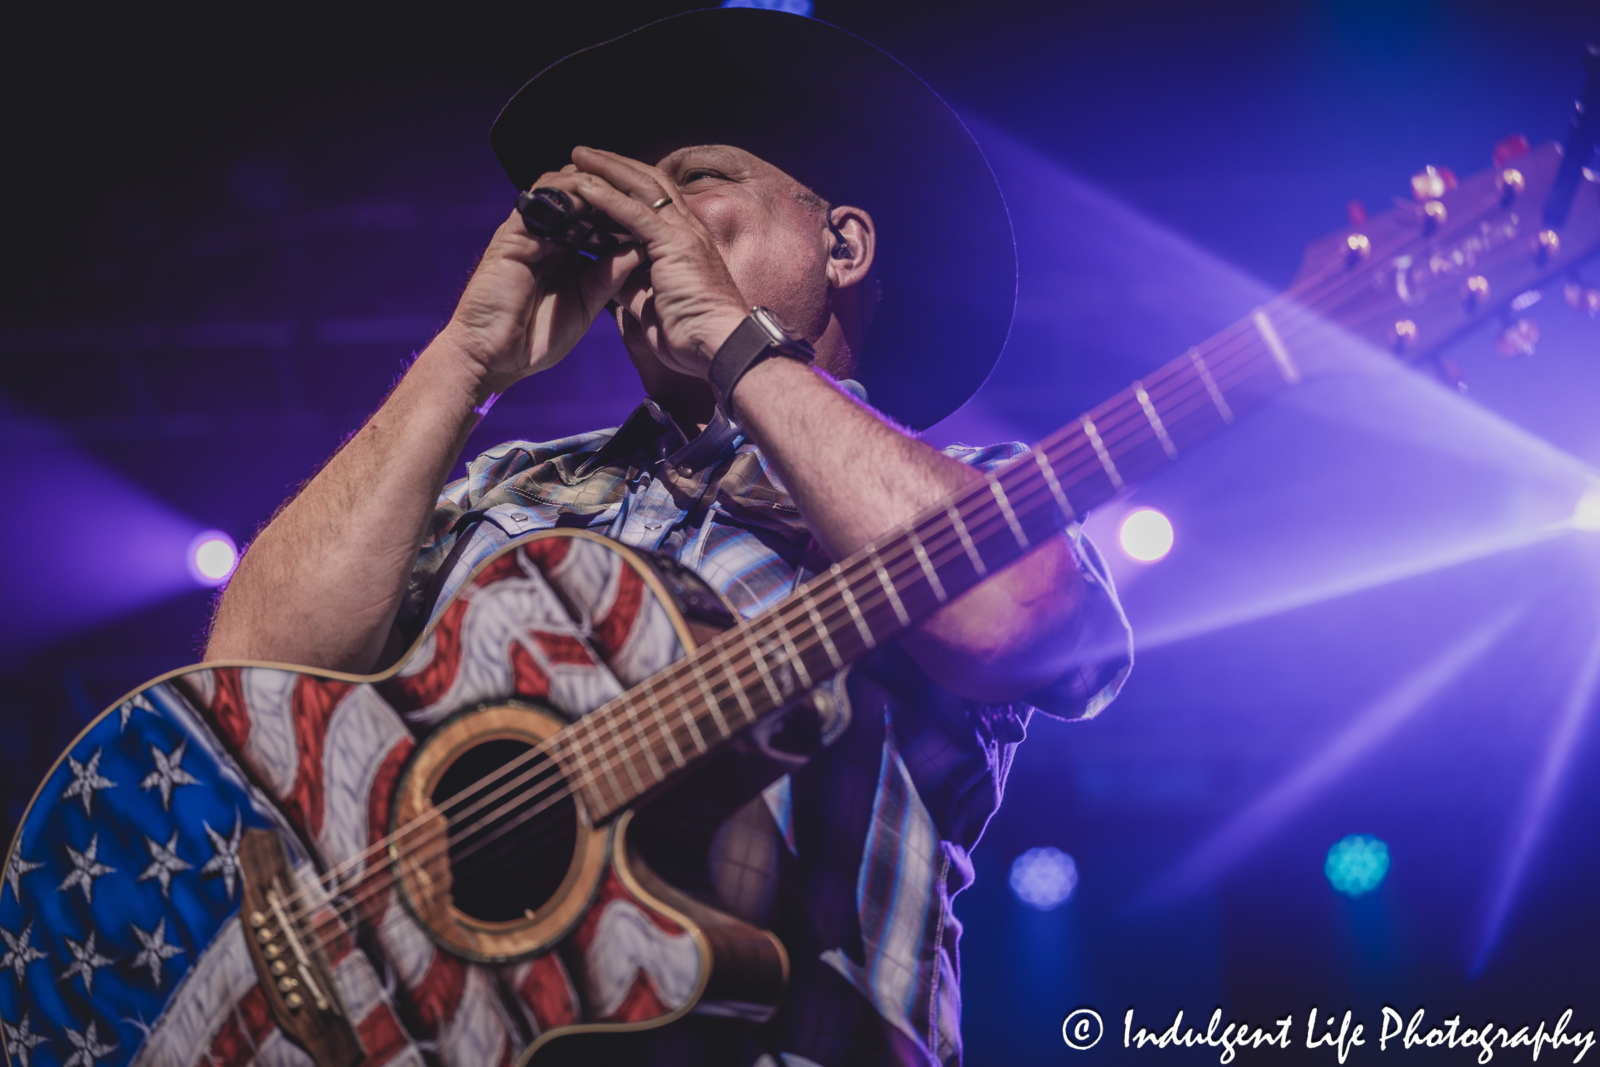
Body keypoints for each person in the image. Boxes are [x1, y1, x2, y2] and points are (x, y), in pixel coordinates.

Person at [205, 9, 1131, 1066]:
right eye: (635, 195)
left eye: (694, 178)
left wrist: (740, 347)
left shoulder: (974, 490)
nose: (646, 222)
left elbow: (1015, 613)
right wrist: (466, 360)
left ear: (842, 244)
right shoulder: (506, 483)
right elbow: (249, 694)